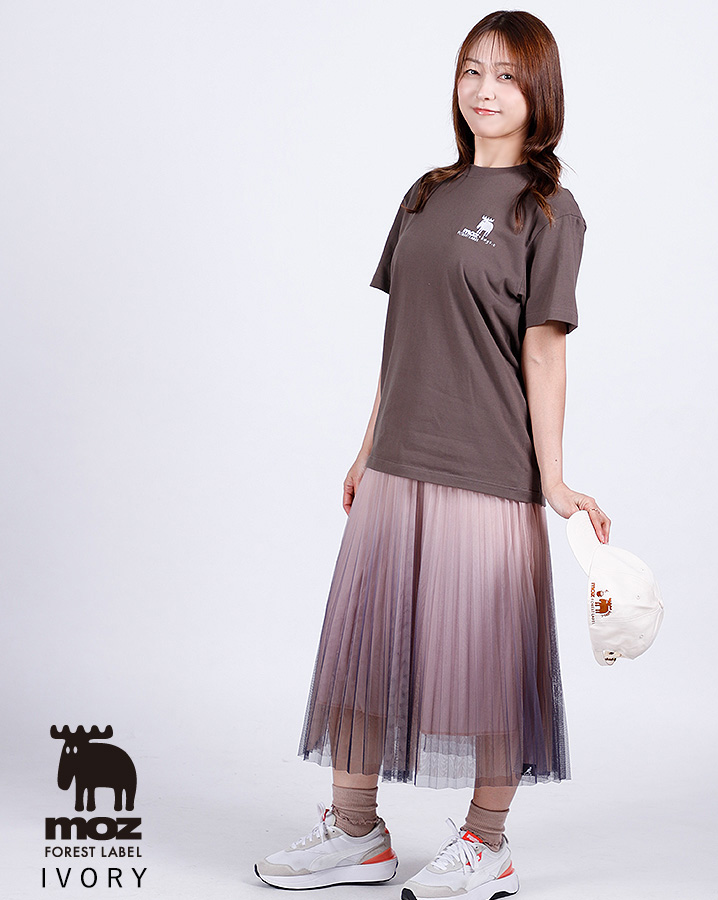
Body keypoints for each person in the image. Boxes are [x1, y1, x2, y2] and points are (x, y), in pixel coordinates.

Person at [254, 10, 610, 899]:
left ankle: (487, 845)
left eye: (507, 75)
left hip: (488, 468)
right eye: (471, 70)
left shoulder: (548, 211)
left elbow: (545, 352)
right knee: (366, 649)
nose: (485, 90)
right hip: (396, 462)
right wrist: (366, 448)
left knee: (489, 662)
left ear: (539, 93)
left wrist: (555, 479)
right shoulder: (424, 193)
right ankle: (356, 834)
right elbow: (402, 336)